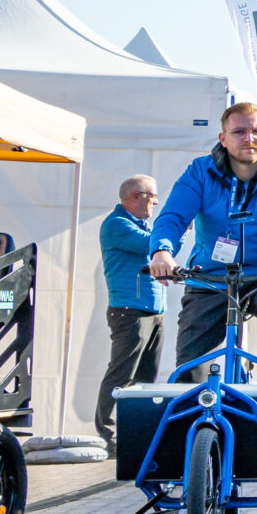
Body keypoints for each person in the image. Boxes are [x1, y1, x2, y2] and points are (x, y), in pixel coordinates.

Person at [146, 104, 257, 381]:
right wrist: (162, 251)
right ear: (223, 138)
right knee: (188, 370)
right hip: (211, 277)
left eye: (256, 131)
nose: (249, 138)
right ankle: (193, 408)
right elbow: (173, 215)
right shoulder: (200, 172)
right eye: (239, 132)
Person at [95, 175, 164, 448]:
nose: (156, 202)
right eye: (153, 196)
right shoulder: (117, 225)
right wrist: (177, 229)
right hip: (130, 311)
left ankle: (137, 436)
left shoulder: (138, 225)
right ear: (136, 196)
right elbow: (153, 246)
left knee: (146, 377)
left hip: (151, 310)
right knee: (122, 374)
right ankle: (109, 436)